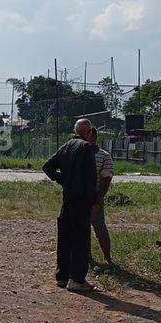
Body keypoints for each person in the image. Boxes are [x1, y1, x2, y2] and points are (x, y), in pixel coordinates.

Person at [42, 119, 99, 291]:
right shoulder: (86, 148)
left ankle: (62, 276)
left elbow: (47, 167)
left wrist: (63, 180)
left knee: (65, 238)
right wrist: (94, 201)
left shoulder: (66, 146)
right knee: (81, 240)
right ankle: (77, 280)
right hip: (81, 201)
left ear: (75, 131)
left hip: (67, 200)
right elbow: (90, 179)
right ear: (89, 133)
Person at [87, 127, 114, 265]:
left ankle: (107, 258)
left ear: (92, 136)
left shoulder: (104, 156)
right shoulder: (79, 153)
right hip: (79, 198)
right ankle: (87, 258)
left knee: (100, 229)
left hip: (94, 198)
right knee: (82, 230)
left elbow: (106, 180)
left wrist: (98, 201)